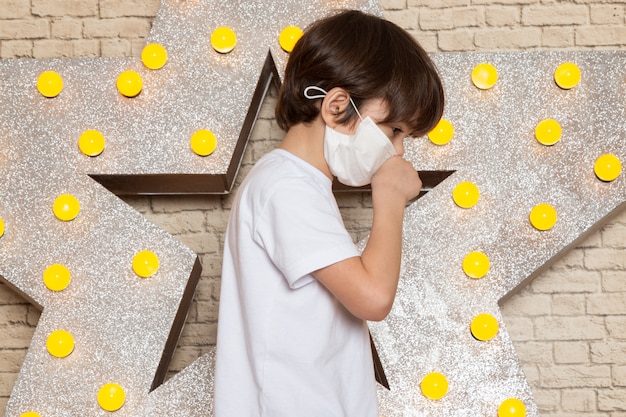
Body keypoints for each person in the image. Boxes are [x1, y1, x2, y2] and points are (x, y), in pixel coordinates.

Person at [214, 9, 444, 417]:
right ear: (337, 107)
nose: (399, 151)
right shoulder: (287, 187)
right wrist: (390, 197)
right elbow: (372, 299)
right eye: (394, 131)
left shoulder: (297, 185)